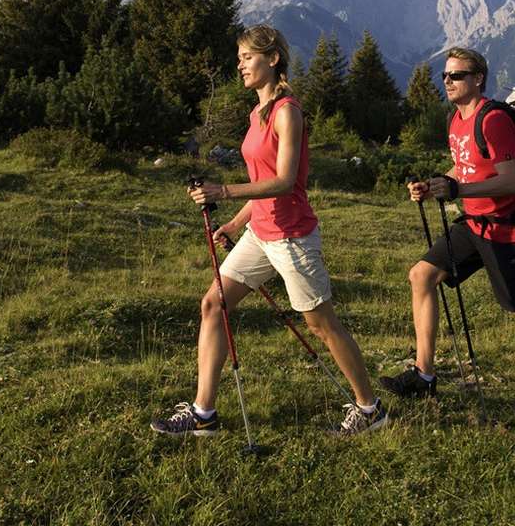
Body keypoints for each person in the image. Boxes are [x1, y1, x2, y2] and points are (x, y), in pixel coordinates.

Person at [151, 24, 389, 437]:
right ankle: (203, 413)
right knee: (213, 304)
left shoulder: (287, 112)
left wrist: (222, 190)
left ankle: (370, 409)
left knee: (321, 323)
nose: (240, 65)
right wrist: (236, 221)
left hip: (292, 236)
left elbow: (284, 180)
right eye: (239, 57)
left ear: (273, 59)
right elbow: (262, 181)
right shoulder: (257, 112)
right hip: (261, 232)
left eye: (247, 56)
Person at [383, 47, 515, 416]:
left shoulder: (493, 120)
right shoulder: (457, 120)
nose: (448, 81)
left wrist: (458, 191)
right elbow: (465, 167)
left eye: (456, 76)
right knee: (421, 276)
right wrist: (437, 183)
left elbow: (509, 181)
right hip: (474, 224)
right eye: (445, 75)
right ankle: (424, 375)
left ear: (478, 79)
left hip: (508, 231)